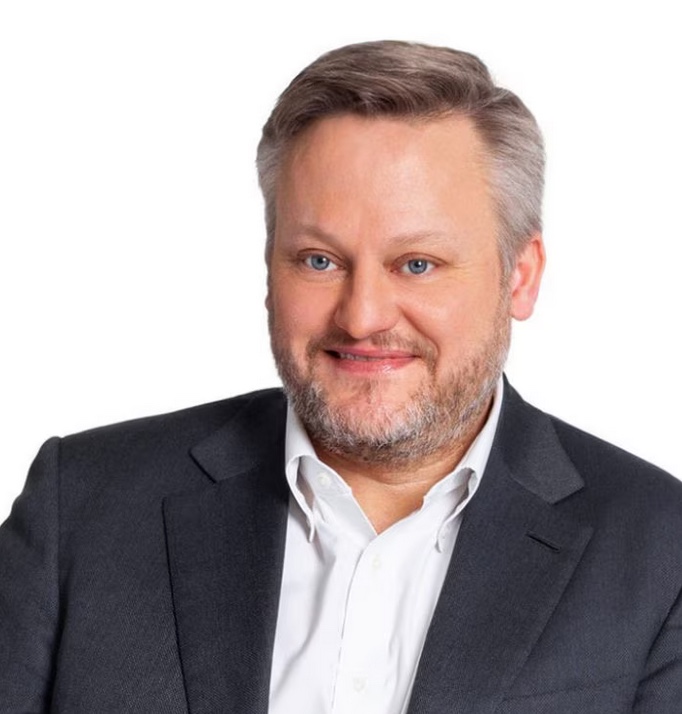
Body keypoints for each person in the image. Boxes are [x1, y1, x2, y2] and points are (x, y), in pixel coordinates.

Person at [1, 40, 681, 714]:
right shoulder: (81, 509)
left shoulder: (660, 551)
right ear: (270, 265)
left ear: (520, 277)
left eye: (417, 264)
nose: (362, 317)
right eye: (319, 261)